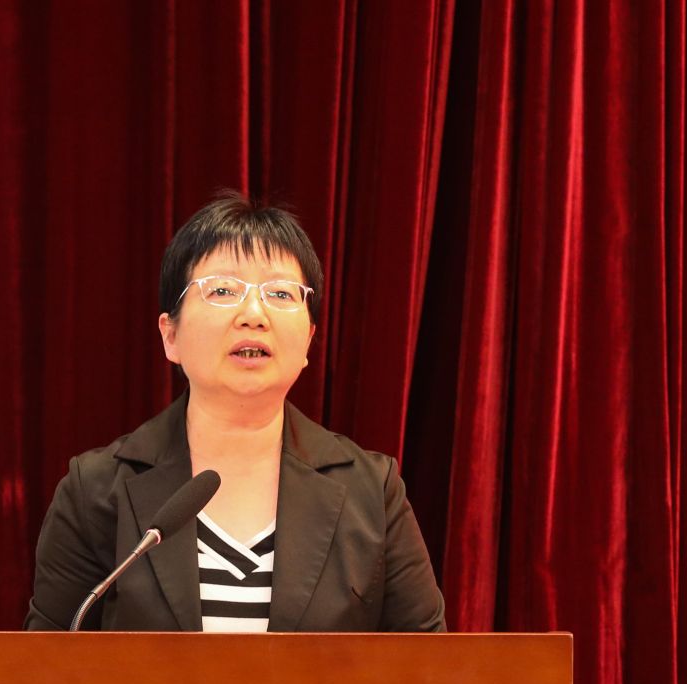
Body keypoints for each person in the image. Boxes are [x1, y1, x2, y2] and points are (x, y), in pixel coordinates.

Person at [25, 192, 446, 633]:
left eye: (280, 293)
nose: (253, 314)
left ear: (308, 340)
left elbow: (430, 665)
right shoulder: (95, 490)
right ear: (170, 335)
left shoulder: (371, 492)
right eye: (223, 290)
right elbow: (44, 665)